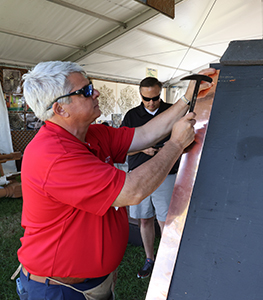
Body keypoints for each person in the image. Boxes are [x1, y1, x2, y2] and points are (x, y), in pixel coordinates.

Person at [16, 60, 215, 300]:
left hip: (89, 282)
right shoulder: (54, 154)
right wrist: (174, 145)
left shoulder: (91, 133)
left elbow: (145, 134)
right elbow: (132, 190)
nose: (96, 92)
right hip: (59, 290)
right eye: (86, 91)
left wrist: (186, 98)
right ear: (60, 109)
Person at [121, 77, 180, 279]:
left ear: (161, 92)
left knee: (166, 221)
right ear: (141, 95)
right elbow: (121, 147)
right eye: (147, 99)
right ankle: (150, 259)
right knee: (144, 220)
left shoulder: (172, 112)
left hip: (167, 174)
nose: (151, 103)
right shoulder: (131, 116)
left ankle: (169, 261)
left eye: (155, 98)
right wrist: (142, 148)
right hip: (139, 176)